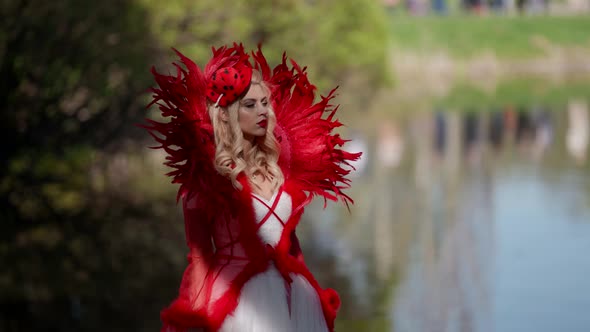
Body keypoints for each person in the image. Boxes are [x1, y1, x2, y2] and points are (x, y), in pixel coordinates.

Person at [145, 43, 360, 332]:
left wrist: (313, 295)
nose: (263, 112)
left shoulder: (281, 169)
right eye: (250, 104)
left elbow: (292, 248)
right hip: (240, 304)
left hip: (295, 299)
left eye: (265, 103)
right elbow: (200, 257)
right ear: (227, 114)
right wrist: (193, 313)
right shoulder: (207, 180)